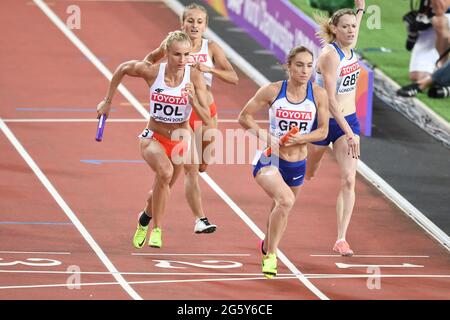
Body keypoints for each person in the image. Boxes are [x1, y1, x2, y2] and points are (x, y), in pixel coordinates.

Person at [96, 31, 211, 249]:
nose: (182, 60)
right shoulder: (152, 72)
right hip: (153, 138)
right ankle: (157, 230)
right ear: (167, 53)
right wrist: (107, 101)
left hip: (180, 139)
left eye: (186, 55)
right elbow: (123, 69)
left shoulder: (194, 77)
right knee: (165, 173)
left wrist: (193, 100)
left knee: (160, 189)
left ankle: (144, 219)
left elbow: (207, 119)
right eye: (177, 54)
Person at [143, 3, 238, 234]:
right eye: (190, 20)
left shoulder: (211, 47)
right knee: (191, 169)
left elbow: (233, 77)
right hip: (183, 114)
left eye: (199, 22)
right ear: (182, 23)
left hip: (208, 113)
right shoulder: (172, 44)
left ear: (205, 26)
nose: (194, 25)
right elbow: (149, 61)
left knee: (203, 165)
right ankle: (200, 219)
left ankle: (147, 212)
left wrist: (209, 69)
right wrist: (160, 86)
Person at [238, 46, 329, 279]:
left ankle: (267, 244)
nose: (305, 70)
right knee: (285, 200)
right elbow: (244, 117)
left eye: (309, 65)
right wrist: (267, 137)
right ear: (288, 66)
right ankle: (271, 255)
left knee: (281, 208)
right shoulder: (272, 91)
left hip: (298, 165)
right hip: (270, 159)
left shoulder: (318, 94)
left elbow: (323, 131)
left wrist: (303, 138)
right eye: (299, 65)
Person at [306, 0, 365, 257]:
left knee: (350, 179)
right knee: (308, 171)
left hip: (347, 123)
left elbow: (356, 24)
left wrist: (360, 9)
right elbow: (330, 100)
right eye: (346, 27)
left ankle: (341, 238)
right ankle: (311, 168)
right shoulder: (329, 56)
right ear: (335, 29)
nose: (352, 31)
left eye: (354, 27)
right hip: (323, 121)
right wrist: (350, 133)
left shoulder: (350, 43)